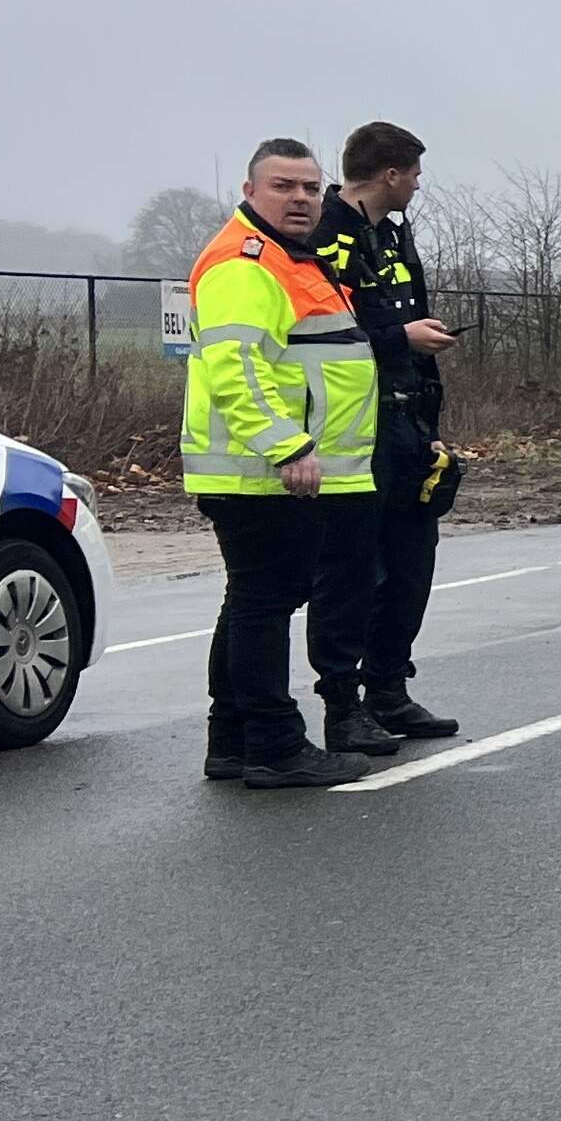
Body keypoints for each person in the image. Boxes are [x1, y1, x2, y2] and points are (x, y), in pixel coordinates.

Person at [183, 139, 381, 787]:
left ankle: (233, 739)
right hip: (259, 468)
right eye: (283, 186)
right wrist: (285, 444)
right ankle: (274, 744)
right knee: (264, 605)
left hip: (258, 467)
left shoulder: (288, 258)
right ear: (249, 192)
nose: (300, 199)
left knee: (250, 601)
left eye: (309, 188)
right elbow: (237, 367)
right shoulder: (246, 264)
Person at [311, 120, 463, 749]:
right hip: (353, 431)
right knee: (353, 572)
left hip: (407, 420)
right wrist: (400, 337)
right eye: (415, 174)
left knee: (409, 562)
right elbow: (321, 337)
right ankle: (343, 707)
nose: (419, 186)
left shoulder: (393, 238)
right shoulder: (327, 241)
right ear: (391, 174)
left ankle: (390, 690)